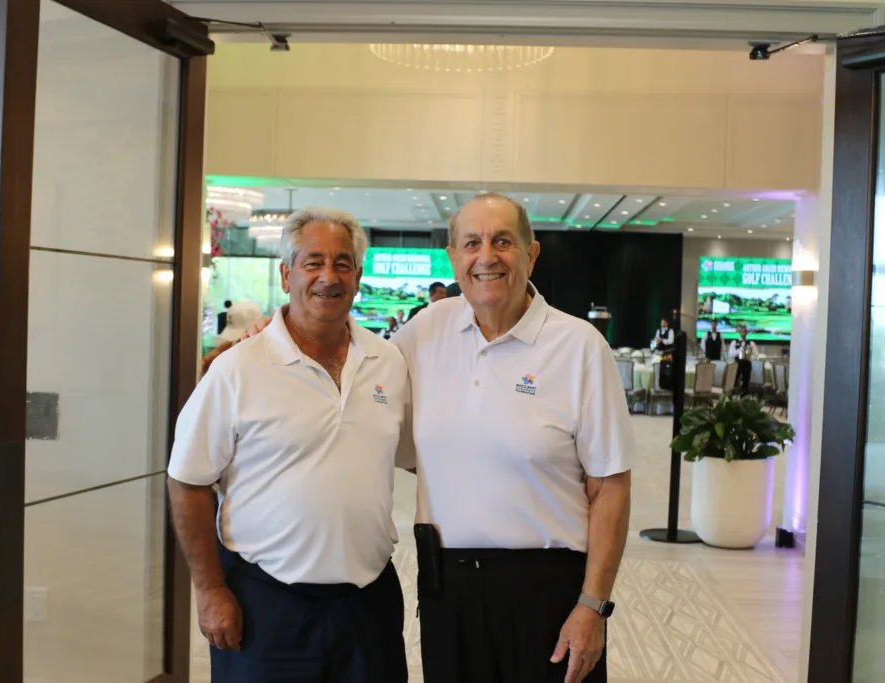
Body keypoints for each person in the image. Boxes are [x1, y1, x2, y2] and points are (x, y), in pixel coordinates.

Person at [222, 194, 633, 683]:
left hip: (548, 586)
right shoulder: (426, 330)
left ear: (532, 253)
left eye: (503, 241)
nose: (486, 256)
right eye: (471, 243)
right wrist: (278, 332)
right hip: (447, 585)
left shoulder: (580, 347)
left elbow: (611, 486)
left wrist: (592, 605)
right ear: (453, 257)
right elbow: (354, 367)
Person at [168, 207, 410, 683]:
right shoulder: (238, 368)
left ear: (358, 277)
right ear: (286, 275)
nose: (328, 277)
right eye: (313, 262)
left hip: (368, 602)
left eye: (342, 264)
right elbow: (187, 482)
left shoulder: (388, 361)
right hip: (265, 603)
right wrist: (209, 589)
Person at [728, 325, 759, 395]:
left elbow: (756, 355)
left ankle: (744, 397)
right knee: (734, 382)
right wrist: (740, 350)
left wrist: (749, 357)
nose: (743, 333)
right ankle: (733, 397)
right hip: (737, 365)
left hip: (747, 365)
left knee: (745, 383)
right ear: (739, 332)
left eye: (744, 331)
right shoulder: (734, 342)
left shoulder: (751, 343)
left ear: (747, 332)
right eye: (741, 331)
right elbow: (731, 354)